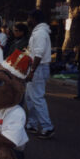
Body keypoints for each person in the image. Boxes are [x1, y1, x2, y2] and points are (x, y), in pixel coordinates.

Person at [25, 9, 54, 139]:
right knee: (29, 98)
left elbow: (38, 53)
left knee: (36, 98)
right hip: (37, 67)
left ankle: (47, 127)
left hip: (38, 68)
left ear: (34, 19)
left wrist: (32, 71)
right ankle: (32, 124)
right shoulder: (39, 32)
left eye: (29, 18)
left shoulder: (40, 33)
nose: (27, 21)